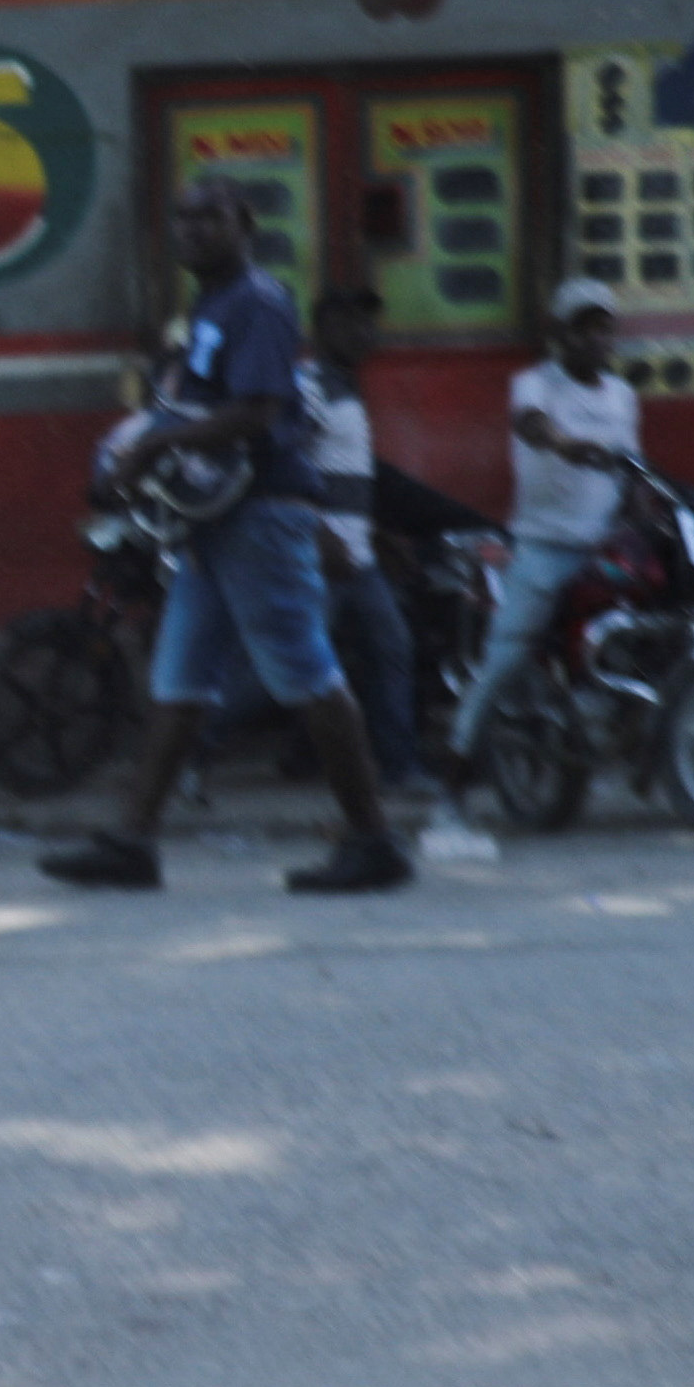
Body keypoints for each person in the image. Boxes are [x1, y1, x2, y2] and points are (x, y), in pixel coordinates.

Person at [38, 182, 409, 896]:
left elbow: (261, 411)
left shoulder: (258, 302)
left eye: (211, 216)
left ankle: (374, 841)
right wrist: (139, 448)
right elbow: (193, 405)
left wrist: (152, 450)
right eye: (182, 216)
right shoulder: (209, 309)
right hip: (214, 520)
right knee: (180, 681)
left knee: (306, 674)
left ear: (245, 225)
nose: (193, 229)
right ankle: (133, 843)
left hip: (262, 514)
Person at [444, 277, 647, 793]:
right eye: (584, 328)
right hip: (544, 546)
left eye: (604, 328)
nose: (596, 339)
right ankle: (458, 766)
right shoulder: (535, 384)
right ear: (560, 332)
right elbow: (533, 426)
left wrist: (646, 507)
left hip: (604, 549)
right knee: (506, 657)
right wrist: (567, 445)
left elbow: (633, 470)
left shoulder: (622, 396)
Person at [290, 291, 434, 812]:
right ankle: (196, 749)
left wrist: (376, 535)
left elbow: (344, 478)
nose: (366, 335)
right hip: (320, 557)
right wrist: (319, 534)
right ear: (325, 327)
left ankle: (398, 766)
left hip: (358, 556)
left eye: (370, 324)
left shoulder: (346, 389)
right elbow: (287, 466)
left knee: (391, 648)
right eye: (353, 323)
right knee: (292, 667)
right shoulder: (309, 387)